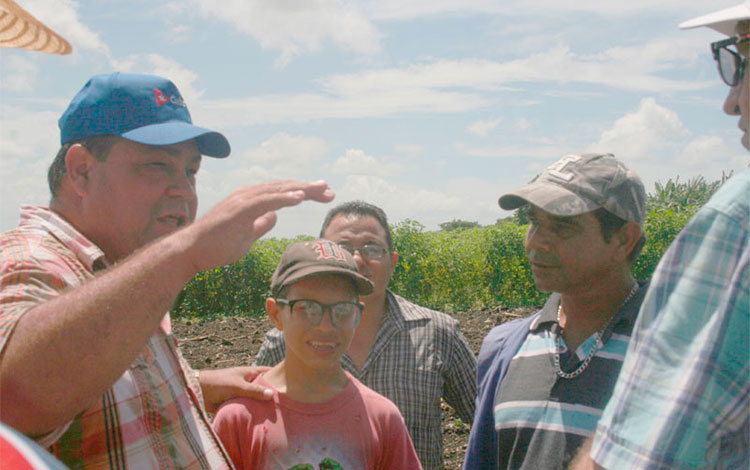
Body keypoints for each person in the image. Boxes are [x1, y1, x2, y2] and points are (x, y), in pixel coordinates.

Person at [0, 72, 335, 468]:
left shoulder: (125, 267)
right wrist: (184, 253)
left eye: (190, 171)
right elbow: (14, 400)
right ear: (81, 171)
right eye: (156, 166)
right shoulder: (27, 259)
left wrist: (194, 383)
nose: (184, 191)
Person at [570, 5, 749, 470]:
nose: (731, 101)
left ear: (625, 240)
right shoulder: (509, 347)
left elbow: (645, 458)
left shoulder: (740, 218)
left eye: (740, 60)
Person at [255, 200, 477, 470]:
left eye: (372, 248)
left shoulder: (438, 332)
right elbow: (254, 421)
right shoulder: (283, 342)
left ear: (393, 262)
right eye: (343, 248)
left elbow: (489, 422)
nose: (358, 260)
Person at [463, 153, 649, 470]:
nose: (537, 243)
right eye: (534, 222)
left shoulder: (676, 354)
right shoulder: (505, 348)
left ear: (623, 239)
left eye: (562, 227)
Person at [213, 238, 422, 470]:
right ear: (276, 314)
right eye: (307, 308)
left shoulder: (381, 418)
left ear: (357, 316)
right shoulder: (240, 419)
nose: (326, 325)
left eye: (342, 310)